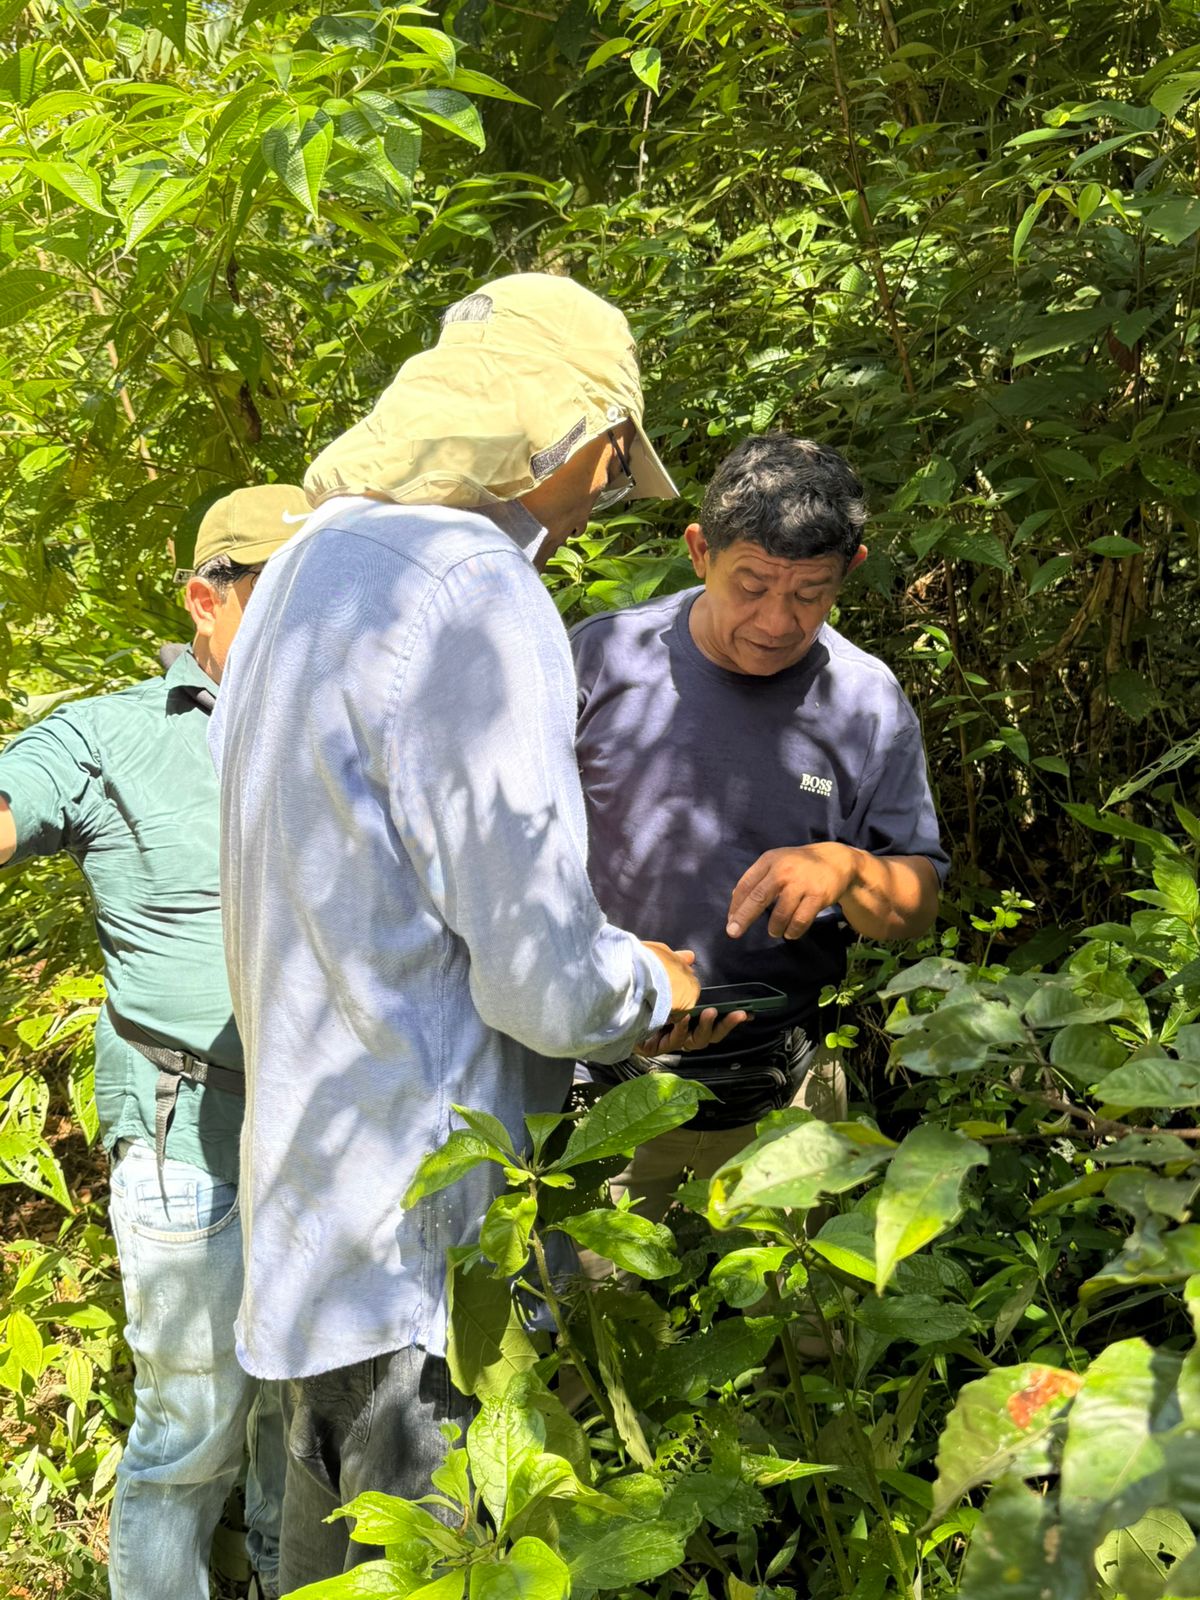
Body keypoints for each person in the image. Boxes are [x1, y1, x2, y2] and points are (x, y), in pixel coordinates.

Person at [210, 272, 702, 1591]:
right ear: (573, 433)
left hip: (312, 1240)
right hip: (432, 1275)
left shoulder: (308, 565)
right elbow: (541, 982)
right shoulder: (474, 589)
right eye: (613, 455)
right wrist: (652, 985)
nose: (609, 487)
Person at [0, 485, 307, 1600]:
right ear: (203, 602)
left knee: (298, 1410)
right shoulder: (114, 732)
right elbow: (12, 795)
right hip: (191, 1130)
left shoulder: (348, 730)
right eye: (273, 604)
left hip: (327, 1137)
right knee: (192, 1423)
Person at [571, 434, 949, 1222]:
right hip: (605, 1089)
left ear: (851, 570)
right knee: (603, 1326)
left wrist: (848, 868)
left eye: (810, 593)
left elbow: (915, 905)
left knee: (807, 1339)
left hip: (788, 1097)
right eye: (751, 585)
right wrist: (608, 978)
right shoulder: (602, 662)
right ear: (700, 550)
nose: (778, 622)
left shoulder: (865, 702)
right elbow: (511, 857)